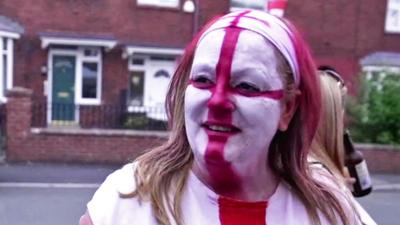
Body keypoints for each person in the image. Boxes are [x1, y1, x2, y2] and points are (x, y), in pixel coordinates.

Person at [79, 10, 362, 225]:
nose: (217, 102)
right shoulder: (125, 201)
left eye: (247, 86)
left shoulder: (329, 211)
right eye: (202, 80)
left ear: (287, 108)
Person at [310, 68, 377, 225]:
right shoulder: (321, 182)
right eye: (341, 111)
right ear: (331, 117)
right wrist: (336, 190)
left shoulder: (308, 173)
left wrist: (340, 185)